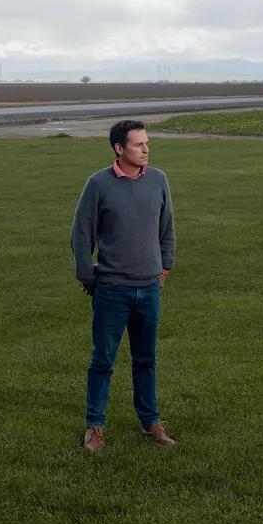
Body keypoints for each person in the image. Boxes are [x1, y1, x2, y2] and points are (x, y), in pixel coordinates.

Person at [70, 118, 177, 452]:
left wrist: (165, 268)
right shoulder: (98, 184)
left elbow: (167, 228)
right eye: (138, 144)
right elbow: (81, 234)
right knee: (103, 360)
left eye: (147, 143)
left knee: (146, 359)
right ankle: (95, 427)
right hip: (112, 289)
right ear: (119, 148)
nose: (146, 149)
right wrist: (89, 277)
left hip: (149, 289)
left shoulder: (158, 180)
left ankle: (150, 423)